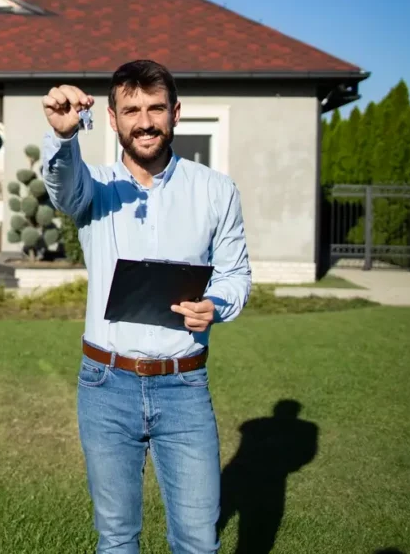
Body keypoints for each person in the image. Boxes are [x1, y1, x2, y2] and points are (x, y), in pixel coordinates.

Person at [40, 59, 252, 554]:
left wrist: (216, 304)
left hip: (184, 385)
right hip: (106, 384)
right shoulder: (95, 188)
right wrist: (64, 137)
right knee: (116, 538)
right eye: (131, 110)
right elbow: (62, 187)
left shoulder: (215, 190)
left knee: (198, 540)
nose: (144, 121)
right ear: (112, 119)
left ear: (176, 113)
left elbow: (236, 273)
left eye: (155, 108)